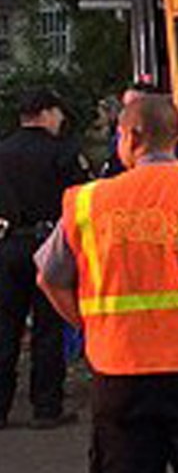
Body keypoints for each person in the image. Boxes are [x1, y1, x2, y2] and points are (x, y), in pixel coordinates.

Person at [35, 94, 178, 473]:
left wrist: (93, 325)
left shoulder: (89, 201)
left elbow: (49, 278)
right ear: (173, 137)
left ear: (132, 136)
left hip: (121, 374)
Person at [0, 89, 89, 429]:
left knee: (5, 328)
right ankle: (46, 407)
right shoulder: (63, 152)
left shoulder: (2, 151)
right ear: (46, 113)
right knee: (48, 329)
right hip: (49, 245)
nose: (62, 120)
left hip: (7, 246)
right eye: (59, 113)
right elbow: (79, 201)